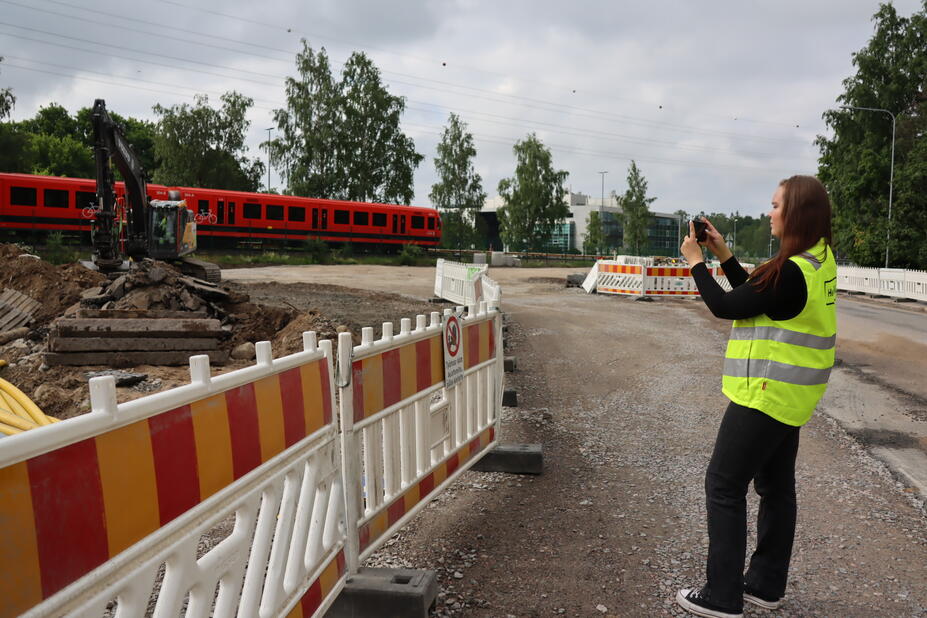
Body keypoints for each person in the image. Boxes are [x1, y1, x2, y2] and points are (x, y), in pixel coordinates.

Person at [675, 175, 838, 618]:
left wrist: (695, 263)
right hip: (792, 398)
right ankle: (765, 586)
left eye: (775, 205)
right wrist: (723, 253)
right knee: (775, 488)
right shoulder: (815, 262)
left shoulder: (790, 270)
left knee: (723, 486)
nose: (769, 212)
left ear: (796, 214)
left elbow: (727, 306)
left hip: (764, 394)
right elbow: (754, 296)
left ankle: (722, 596)